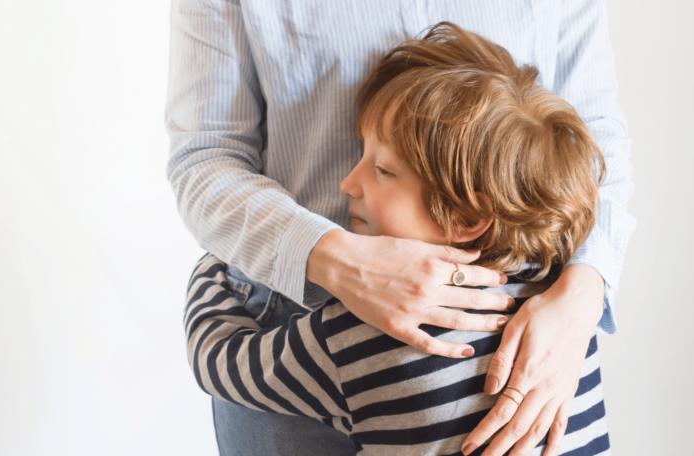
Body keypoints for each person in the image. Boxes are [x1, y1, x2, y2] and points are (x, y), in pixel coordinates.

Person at [166, 1, 635, 455]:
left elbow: (221, 361)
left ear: (470, 216)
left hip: (301, 337)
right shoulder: (562, 329)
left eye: (383, 169)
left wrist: (211, 275)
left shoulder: (346, 343)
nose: (351, 181)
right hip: (294, 306)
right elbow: (207, 154)